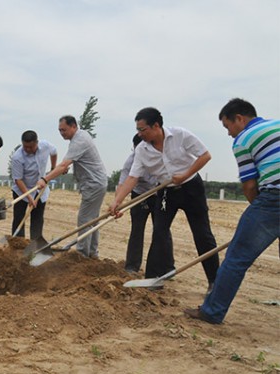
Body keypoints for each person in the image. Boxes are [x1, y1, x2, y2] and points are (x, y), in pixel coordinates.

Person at [184, 98, 279, 324]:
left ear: (240, 118)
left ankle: (212, 311)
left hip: (274, 197)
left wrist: (260, 213)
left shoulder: (243, 139)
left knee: (236, 258)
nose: (229, 133)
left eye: (228, 126)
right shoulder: (277, 125)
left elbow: (248, 185)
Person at [108, 107, 220, 294]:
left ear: (156, 126)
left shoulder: (180, 135)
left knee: (202, 235)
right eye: (137, 130)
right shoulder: (142, 150)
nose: (139, 134)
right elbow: (132, 177)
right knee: (159, 232)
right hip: (166, 192)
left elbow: (205, 156)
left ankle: (214, 282)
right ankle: (152, 280)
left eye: (142, 129)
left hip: (192, 188)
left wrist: (185, 175)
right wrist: (117, 201)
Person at [37, 115, 107, 258]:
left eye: (64, 130)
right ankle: (93, 253)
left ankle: (82, 254)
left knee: (84, 220)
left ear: (74, 126)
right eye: (60, 131)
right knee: (93, 220)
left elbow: (63, 164)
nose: (62, 133)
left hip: (93, 184)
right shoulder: (80, 137)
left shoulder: (79, 140)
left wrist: (45, 179)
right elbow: (67, 163)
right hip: (96, 183)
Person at [117, 134, 161, 273]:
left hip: (158, 193)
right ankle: (132, 266)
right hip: (139, 195)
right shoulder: (130, 162)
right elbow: (122, 184)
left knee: (161, 230)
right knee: (137, 229)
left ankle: (165, 267)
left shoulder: (158, 156)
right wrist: (117, 204)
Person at [11, 130, 57, 240]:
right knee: (19, 217)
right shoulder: (17, 157)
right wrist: (29, 197)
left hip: (40, 189)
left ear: (37, 142)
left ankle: (35, 244)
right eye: (25, 146)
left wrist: (53, 168)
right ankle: (18, 243)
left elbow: (54, 152)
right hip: (22, 190)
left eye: (31, 147)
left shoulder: (45, 145)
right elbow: (18, 180)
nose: (28, 149)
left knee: (37, 218)